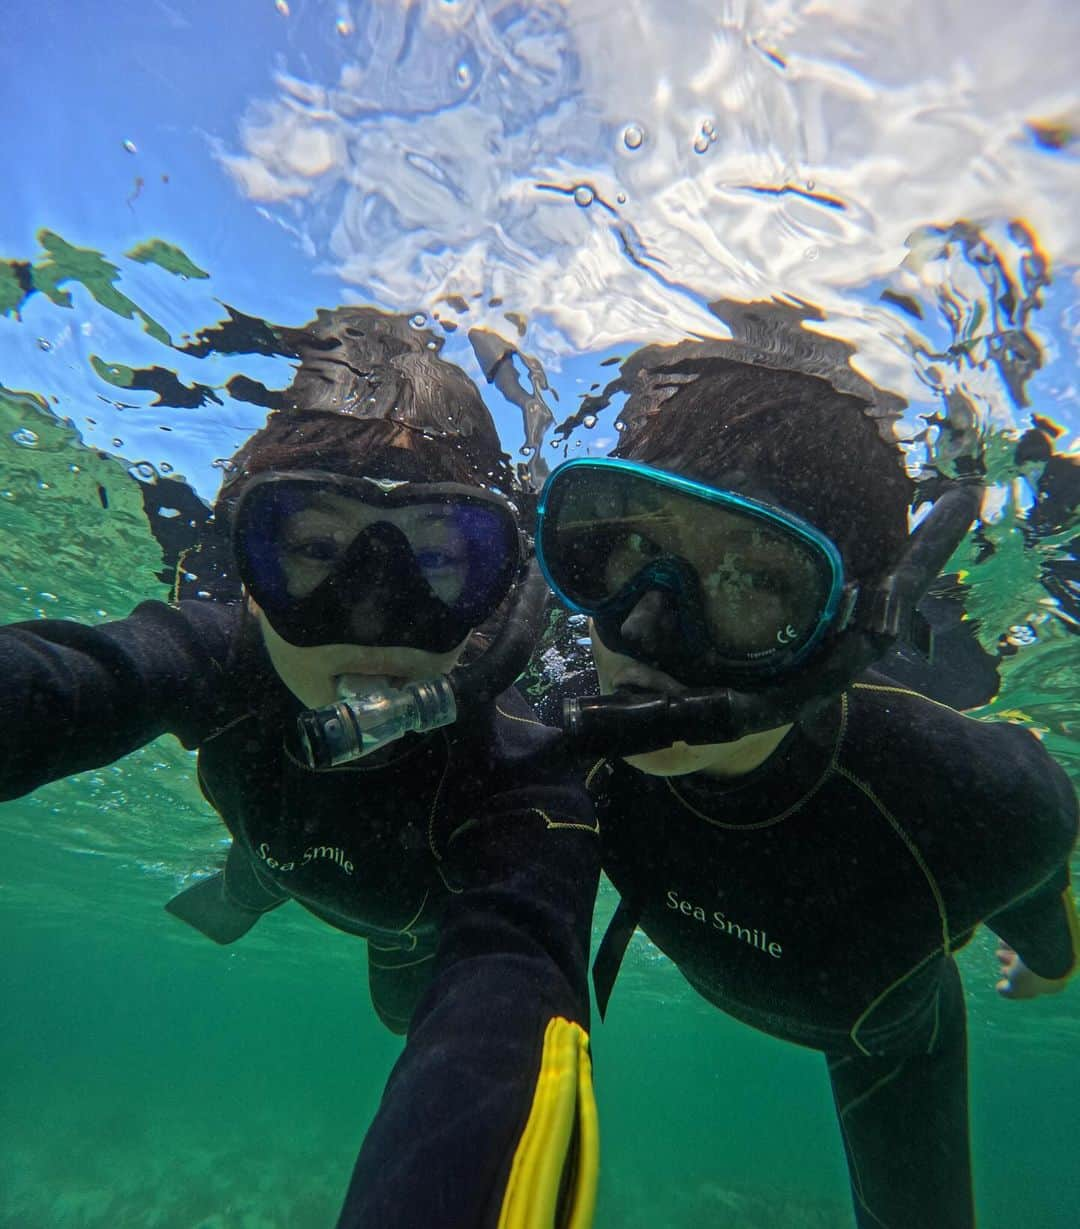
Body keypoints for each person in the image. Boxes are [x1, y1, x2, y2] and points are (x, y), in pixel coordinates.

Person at [0, 308, 600, 1229]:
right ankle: (251, 883)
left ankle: (268, 883)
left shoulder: (524, 776)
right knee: (266, 862)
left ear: (499, 589)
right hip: (276, 841)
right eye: (317, 549)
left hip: (408, 925)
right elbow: (70, 679)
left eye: (439, 559)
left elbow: (506, 984)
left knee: (401, 1008)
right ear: (247, 564)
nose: (376, 614)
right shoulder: (210, 656)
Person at [534, 349, 1080, 1229]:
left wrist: (1050, 957)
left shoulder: (977, 794)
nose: (641, 625)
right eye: (633, 547)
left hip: (890, 1043)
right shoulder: (555, 721)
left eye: (752, 579)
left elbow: (1041, 883)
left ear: (844, 630)